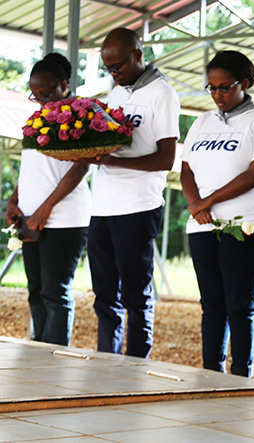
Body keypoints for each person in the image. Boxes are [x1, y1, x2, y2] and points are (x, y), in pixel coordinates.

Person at [181, 51, 254, 378]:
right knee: (211, 303)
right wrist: (196, 205)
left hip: (247, 222)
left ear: (244, 84)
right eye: (211, 88)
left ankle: (241, 375)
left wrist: (205, 202)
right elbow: (186, 171)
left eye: (225, 87)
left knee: (239, 303)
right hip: (203, 225)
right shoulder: (202, 122)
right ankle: (211, 372)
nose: (217, 94)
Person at [88, 27, 180, 358]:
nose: (113, 74)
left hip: (138, 206)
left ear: (138, 55)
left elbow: (167, 158)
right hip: (103, 205)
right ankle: (106, 361)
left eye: (118, 66)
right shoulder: (116, 93)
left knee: (135, 294)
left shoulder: (162, 92)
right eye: (108, 68)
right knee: (103, 293)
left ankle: (135, 365)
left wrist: (115, 160)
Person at [4, 53, 90, 347]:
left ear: (64, 85)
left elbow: (80, 167)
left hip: (64, 218)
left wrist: (46, 208)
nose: (41, 101)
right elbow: (30, 166)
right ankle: (36, 354)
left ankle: (53, 359)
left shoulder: (80, 117)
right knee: (36, 291)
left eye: (46, 94)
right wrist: (14, 200)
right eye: (35, 95)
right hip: (30, 216)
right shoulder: (36, 119)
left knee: (55, 293)